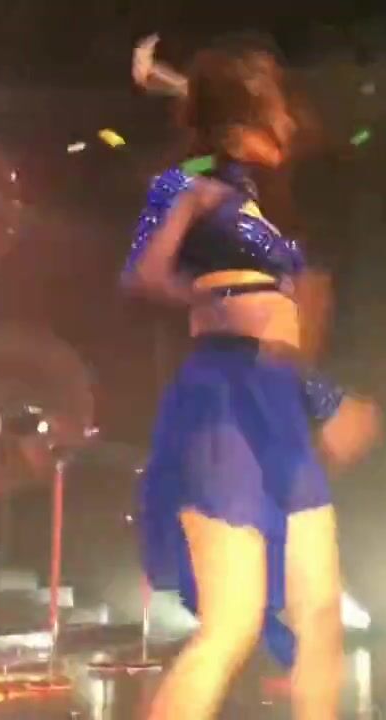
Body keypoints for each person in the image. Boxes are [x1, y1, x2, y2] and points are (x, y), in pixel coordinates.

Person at [123, 38, 365, 720]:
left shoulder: (254, 197)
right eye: (277, 108)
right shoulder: (190, 182)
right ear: (247, 113)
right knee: (231, 624)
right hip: (224, 397)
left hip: (280, 397)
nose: (289, 123)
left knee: (320, 615)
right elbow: (144, 272)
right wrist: (213, 300)